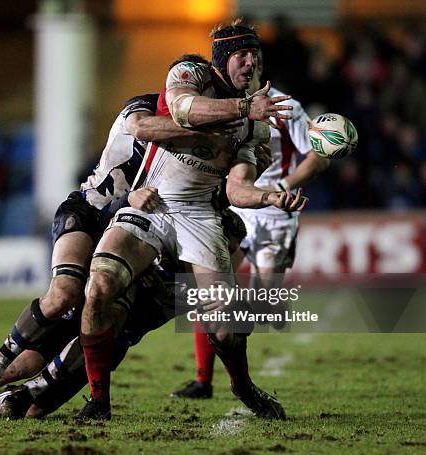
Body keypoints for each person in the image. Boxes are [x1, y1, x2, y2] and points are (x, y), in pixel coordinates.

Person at [0, 51, 288, 407]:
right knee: (68, 296)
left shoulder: (239, 149)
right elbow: (145, 126)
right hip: (103, 208)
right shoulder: (150, 106)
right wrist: (215, 126)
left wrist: (263, 190)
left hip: (155, 220)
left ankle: (15, 398)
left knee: (108, 334)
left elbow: (234, 184)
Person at [0, 86, 245, 419]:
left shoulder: (208, 215)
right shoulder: (147, 109)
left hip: (129, 257)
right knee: (63, 296)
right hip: (94, 216)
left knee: (37, 400)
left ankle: (4, 400)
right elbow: (137, 131)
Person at [75, 20, 306, 421]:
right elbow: (182, 109)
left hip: (200, 216)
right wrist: (241, 109)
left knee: (225, 329)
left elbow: (237, 189)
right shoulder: (189, 72)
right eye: (242, 55)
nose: (251, 63)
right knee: (100, 286)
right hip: (153, 203)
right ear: (222, 58)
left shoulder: (258, 126)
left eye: (256, 56)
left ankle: (243, 386)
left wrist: (271, 196)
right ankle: (98, 401)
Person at [170, 50, 330, 400]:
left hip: (272, 210)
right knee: (206, 293)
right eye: (239, 64)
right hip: (233, 202)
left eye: (251, 64)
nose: (245, 70)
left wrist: (283, 188)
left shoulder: (286, 106)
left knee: (262, 303)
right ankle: (203, 380)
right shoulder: (221, 104)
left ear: (259, 69)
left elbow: (316, 155)